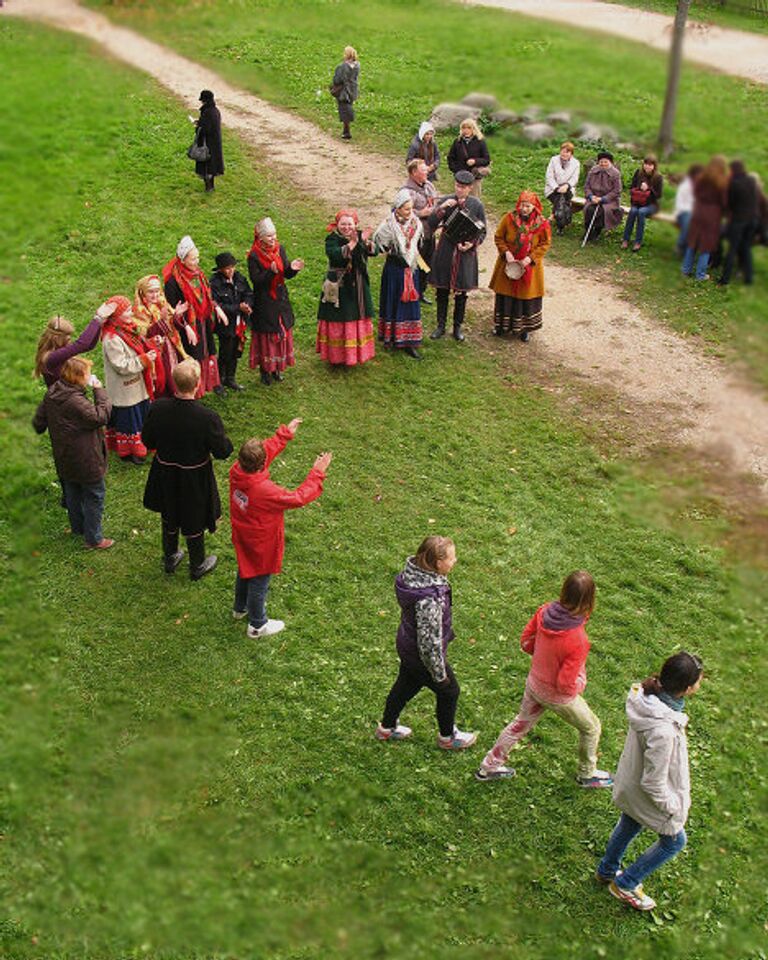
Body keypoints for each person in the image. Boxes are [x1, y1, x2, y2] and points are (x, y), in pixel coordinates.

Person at [476, 570, 612, 787]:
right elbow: (565, 685)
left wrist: (541, 655)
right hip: (558, 696)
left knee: (519, 724)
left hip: (534, 685)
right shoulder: (578, 640)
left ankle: (489, 766)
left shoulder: (544, 612)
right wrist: (581, 682)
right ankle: (587, 774)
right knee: (592, 727)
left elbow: (526, 641)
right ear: (589, 600)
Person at [596, 651, 704, 912]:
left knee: (630, 821)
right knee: (675, 842)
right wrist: (672, 807)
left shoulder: (646, 699)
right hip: (647, 793)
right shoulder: (663, 730)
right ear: (688, 688)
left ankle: (607, 870)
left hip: (631, 785)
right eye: (699, 681)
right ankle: (626, 883)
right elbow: (654, 783)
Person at [230, 419, 332, 638]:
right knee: (259, 579)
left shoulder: (237, 472)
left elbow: (261, 455)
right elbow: (297, 497)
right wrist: (317, 472)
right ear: (260, 465)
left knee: (245, 569)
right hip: (262, 542)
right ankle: (257, 625)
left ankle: (240, 608)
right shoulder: (263, 490)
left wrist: (284, 434)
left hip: (243, 534)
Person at [377, 536, 477, 751]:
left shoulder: (412, 576)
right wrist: (439, 675)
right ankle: (448, 738)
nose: (455, 560)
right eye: (452, 557)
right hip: (419, 653)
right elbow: (429, 644)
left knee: (405, 685)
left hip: (407, 643)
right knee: (449, 691)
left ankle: (386, 728)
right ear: (438, 563)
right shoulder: (428, 599)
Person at [141, 359, 233, 581]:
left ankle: (170, 556)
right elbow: (222, 451)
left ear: (174, 383)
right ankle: (197, 564)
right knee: (194, 516)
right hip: (194, 476)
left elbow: (147, 440)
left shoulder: (158, 408)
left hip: (165, 472)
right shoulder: (207, 418)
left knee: (169, 510)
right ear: (197, 383)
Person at [33, 356, 113, 550]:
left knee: (72, 492)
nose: (89, 376)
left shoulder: (53, 392)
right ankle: (93, 539)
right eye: (87, 374)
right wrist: (99, 391)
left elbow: (38, 422)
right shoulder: (76, 401)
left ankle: (78, 527)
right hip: (86, 459)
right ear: (77, 377)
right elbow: (100, 417)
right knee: (94, 495)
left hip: (64, 456)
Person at [427, 169, 486, 342]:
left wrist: (471, 244)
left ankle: (457, 327)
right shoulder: (446, 200)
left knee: (461, 293)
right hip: (446, 249)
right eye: (457, 186)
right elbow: (431, 223)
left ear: (470, 188)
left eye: (463, 187)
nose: (459, 189)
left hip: (465, 254)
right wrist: (442, 208)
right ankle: (440, 325)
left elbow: (482, 232)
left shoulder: (476, 205)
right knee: (442, 290)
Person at [101, 295, 159, 465]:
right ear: (115, 316)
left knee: (140, 414)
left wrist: (151, 343)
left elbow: (137, 345)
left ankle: (142, 444)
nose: (131, 312)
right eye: (126, 310)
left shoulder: (127, 328)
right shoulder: (111, 339)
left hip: (136, 384)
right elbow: (121, 365)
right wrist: (144, 360)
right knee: (129, 420)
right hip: (125, 388)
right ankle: (129, 451)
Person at [163, 235, 224, 396]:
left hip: (201, 321)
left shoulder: (198, 274)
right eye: (192, 259)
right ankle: (190, 388)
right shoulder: (173, 282)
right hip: (186, 327)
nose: (196, 262)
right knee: (193, 354)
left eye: (197, 258)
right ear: (182, 260)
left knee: (206, 351)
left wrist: (216, 308)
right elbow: (172, 309)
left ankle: (204, 385)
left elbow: (207, 295)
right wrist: (186, 326)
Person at [316, 209, 377, 367]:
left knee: (356, 317)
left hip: (358, 286)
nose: (346, 227)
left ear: (355, 224)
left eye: (350, 224)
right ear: (337, 224)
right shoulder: (332, 239)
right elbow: (335, 256)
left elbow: (374, 251)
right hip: (339, 286)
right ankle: (337, 357)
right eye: (343, 224)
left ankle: (355, 355)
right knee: (339, 318)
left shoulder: (360, 235)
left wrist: (367, 243)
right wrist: (355, 243)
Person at [248, 217, 304, 386]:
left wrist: (292, 269)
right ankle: (265, 370)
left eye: (274, 235)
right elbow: (256, 281)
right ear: (261, 238)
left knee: (281, 331)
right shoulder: (254, 256)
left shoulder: (280, 249)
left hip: (280, 298)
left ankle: (277, 367)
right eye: (269, 236)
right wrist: (271, 272)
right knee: (268, 335)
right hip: (265, 301)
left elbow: (285, 272)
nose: (273, 239)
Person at [489, 190, 551, 341]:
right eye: (522, 205)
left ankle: (524, 329)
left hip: (530, 267)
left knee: (525, 296)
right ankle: (501, 326)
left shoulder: (542, 224)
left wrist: (530, 258)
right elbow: (499, 237)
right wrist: (506, 253)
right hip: (508, 264)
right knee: (505, 295)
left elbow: (545, 243)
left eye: (528, 206)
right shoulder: (508, 219)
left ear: (534, 207)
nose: (524, 209)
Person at [372, 189, 424, 359]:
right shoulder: (388, 226)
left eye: (411, 208)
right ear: (398, 209)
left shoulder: (416, 223)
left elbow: (416, 244)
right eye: (407, 209)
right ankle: (392, 336)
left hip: (411, 269)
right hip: (395, 270)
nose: (410, 212)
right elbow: (379, 244)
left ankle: (409, 340)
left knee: (410, 303)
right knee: (394, 300)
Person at [34, 302, 114, 387]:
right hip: (61, 398)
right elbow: (82, 345)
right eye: (66, 336)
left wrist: (100, 325)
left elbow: (88, 346)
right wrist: (98, 319)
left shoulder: (57, 350)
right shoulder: (51, 357)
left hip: (67, 395)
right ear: (56, 338)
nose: (69, 338)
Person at [133, 274, 189, 397]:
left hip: (170, 349)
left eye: (157, 291)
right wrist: (162, 321)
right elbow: (144, 335)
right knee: (162, 382)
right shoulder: (139, 311)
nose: (155, 295)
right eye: (151, 292)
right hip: (155, 354)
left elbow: (173, 327)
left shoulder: (162, 303)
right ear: (142, 293)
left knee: (173, 378)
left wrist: (176, 316)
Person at [682, 155, 729, 282]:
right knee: (706, 245)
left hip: (698, 211)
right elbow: (725, 202)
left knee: (693, 242)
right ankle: (700, 274)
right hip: (712, 214)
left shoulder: (701, 178)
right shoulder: (722, 182)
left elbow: (696, 193)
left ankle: (686, 270)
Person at [210, 252, 253, 389]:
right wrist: (237, 307)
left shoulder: (239, 278)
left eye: (232, 267)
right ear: (220, 269)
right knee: (225, 351)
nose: (231, 271)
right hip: (226, 324)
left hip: (240, 322)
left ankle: (230, 378)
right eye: (227, 268)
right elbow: (216, 305)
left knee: (236, 350)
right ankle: (219, 380)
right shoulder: (215, 283)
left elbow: (248, 293)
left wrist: (247, 304)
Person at [401, 158, 439, 303]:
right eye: (423, 170)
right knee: (416, 263)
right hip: (415, 234)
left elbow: (434, 202)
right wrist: (420, 213)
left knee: (427, 263)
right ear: (413, 173)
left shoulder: (429, 186)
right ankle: (411, 289)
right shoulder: (406, 192)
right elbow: (399, 212)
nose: (427, 172)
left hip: (430, 232)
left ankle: (421, 291)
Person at [718, 160, 758, 286]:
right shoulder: (751, 180)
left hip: (739, 220)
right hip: (752, 219)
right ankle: (749, 277)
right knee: (746, 247)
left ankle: (724, 280)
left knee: (732, 249)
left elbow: (730, 203)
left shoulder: (733, 184)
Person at [622, 155, 664, 252]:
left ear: (654, 166)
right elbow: (632, 188)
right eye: (646, 164)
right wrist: (638, 189)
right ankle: (625, 239)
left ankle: (638, 242)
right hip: (638, 202)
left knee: (641, 212)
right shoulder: (638, 173)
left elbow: (659, 195)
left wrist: (649, 188)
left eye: (650, 165)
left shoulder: (658, 177)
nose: (647, 167)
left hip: (652, 205)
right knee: (633, 211)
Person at [583, 151, 623, 241]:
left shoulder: (615, 173)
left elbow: (617, 191)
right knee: (589, 209)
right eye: (601, 162)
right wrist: (590, 196)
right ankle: (587, 232)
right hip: (593, 198)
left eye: (606, 162)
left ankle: (597, 231)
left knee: (602, 211)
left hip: (609, 200)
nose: (603, 164)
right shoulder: (593, 170)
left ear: (610, 162)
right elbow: (587, 186)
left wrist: (603, 199)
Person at [447, 118, 490, 197]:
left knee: (473, 199)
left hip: (474, 177)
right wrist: (455, 170)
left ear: (474, 129)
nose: (466, 130)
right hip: (460, 176)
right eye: (464, 128)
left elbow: (486, 159)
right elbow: (450, 158)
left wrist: (475, 161)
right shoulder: (457, 141)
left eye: (469, 128)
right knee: (459, 198)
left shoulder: (480, 141)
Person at [191, 89, 223, 192]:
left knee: (206, 167)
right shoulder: (215, 110)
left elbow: (205, 129)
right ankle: (211, 186)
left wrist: (197, 127)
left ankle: (208, 187)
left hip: (207, 144)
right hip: (215, 144)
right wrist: (200, 122)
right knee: (212, 166)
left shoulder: (207, 112)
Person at [545, 141, 580, 235]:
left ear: (571, 154)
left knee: (562, 199)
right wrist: (556, 188)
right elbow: (549, 176)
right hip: (552, 189)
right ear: (560, 151)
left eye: (567, 152)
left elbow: (575, 178)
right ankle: (562, 225)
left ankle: (554, 217)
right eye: (563, 151)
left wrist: (567, 185)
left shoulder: (576, 163)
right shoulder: (553, 160)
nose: (564, 153)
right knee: (561, 199)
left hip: (568, 189)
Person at [673, 164, 702, 258]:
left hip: (696, 213)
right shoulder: (685, 186)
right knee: (688, 223)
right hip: (682, 212)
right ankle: (681, 245)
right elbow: (679, 204)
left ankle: (692, 248)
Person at [331, 46, 360, 141]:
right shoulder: (357, 65)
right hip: (353, 89)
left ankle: (346, 131)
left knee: (343, 109)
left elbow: (337, 80)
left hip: (343, 91)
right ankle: (346, 130)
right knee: (348, 106)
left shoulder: (343, 66)